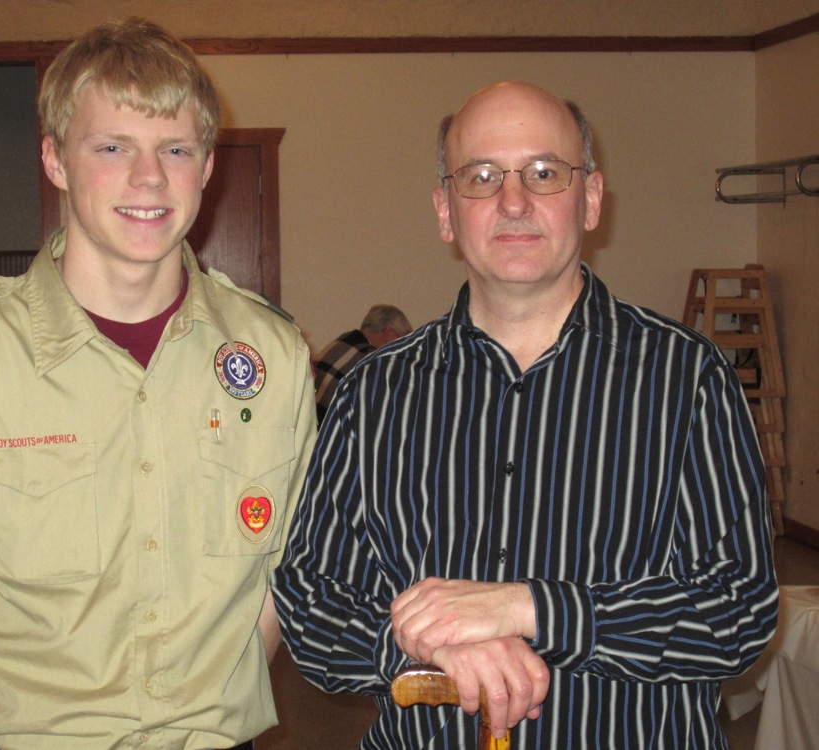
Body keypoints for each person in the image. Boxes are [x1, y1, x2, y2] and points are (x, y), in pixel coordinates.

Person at [0, 17, 316, 750]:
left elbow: (280, 579)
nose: (149, 178)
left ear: (206, 168)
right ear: (55, 160)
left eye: (175, 149)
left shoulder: (273, 356)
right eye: (112, 147)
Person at [273, 81, 778, 748]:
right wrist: (424, 647)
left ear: (590, 198)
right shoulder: (373, 394)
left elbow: (738, 611)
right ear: (446, 211)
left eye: (544, 172)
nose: (513, 202)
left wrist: (532, 607)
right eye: (481, 176)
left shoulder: (689, 379)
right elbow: (311, 599)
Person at [313, 304, 412, 423]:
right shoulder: (372, 360)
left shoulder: (339, 343)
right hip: (328, 429)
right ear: (389, 334)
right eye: (403, 342)